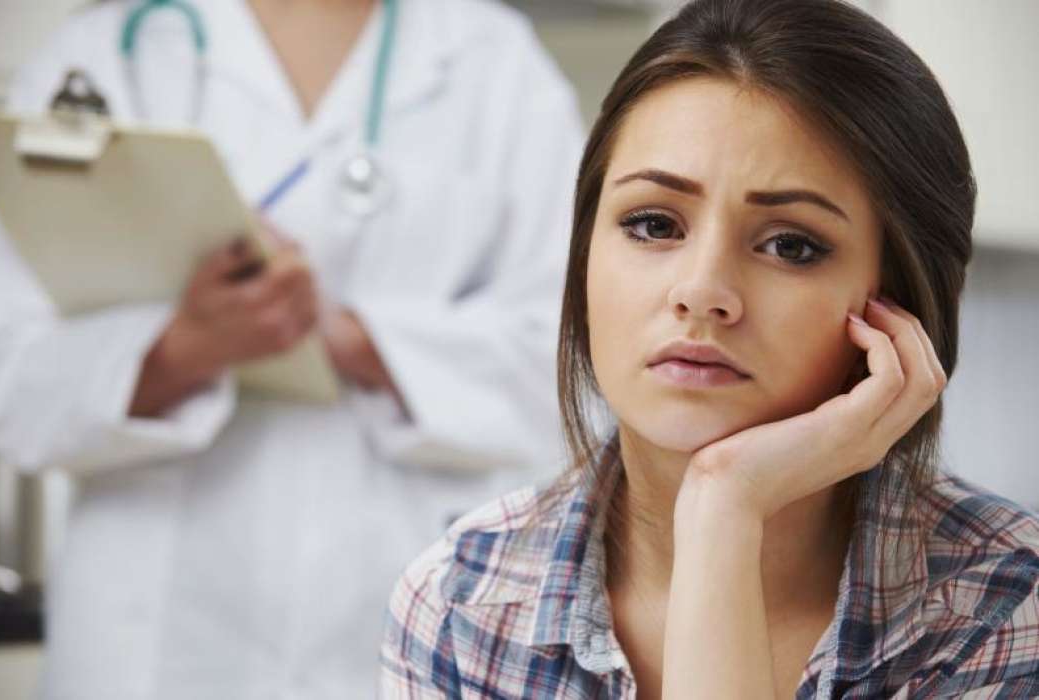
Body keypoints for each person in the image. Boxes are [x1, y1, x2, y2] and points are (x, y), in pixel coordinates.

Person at [379, 0, 1039, 696]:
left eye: (791, 245)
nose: (703, 291)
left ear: (898, 301)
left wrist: (724, 506)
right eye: (654, 224)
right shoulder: (462, 603)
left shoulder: (994, 606)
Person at [0, 0, 583, 697]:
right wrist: (183, 350)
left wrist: (348, 339)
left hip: (403, 611)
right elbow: (9, 377)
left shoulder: (495, 64)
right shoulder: (106, 53)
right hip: (146, 635)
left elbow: (577, 366)